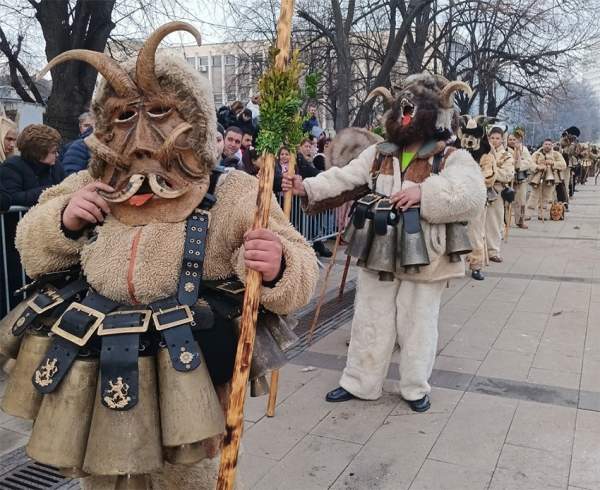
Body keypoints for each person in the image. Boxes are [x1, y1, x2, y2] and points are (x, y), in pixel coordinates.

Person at [0, 22, 318, 489]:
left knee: (185, 478)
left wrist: (279, 266)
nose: (143, 135)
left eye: (160, 111)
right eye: (125, 114)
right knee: (103, 476)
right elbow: (29, 241)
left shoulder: (233, 191)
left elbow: (300, 264)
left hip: (188, 369)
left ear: (193, 118)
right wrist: (64, 219)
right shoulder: (91, 184)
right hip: (99, 359)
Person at [283, 74, 485, 412]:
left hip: (426, 255)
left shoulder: (449, 156)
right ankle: (360, 382)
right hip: (379, 248)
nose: (406, 117)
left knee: (417, 321)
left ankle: (415, 387)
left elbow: (472, 194)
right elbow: (345, 177)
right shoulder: (379, 153)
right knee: (370, 315)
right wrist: (308, 187)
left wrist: (425, 192)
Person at [0, 124, 64, 207]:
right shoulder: (12, 166)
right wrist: (50, 191)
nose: (57, 154)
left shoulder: (56, 166)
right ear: (39, 152)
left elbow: (65, 187)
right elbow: (12, 198)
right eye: (53, 152)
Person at [483, 126, 514, 263]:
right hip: (481, 188)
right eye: (492, 138)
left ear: (502, 140)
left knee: (494, 222)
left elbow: (508, 174)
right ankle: (477, 250)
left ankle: (493, 251)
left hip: (496, 190)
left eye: (497, 138)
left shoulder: (506, 155)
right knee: (478, 222)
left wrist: (492, 172)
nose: (494, 141)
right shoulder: (483, 152)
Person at [528, 138, 567, 220]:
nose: (547, 146)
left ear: (552, 145)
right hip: (537, 178)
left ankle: (543, 215)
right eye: (546, 144)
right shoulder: (536, 154)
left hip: (551, 178)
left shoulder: (556, 154)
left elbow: (563, 165)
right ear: (543, 145)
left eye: (549, 144)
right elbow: (530, 163)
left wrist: (553, 163)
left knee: (547, 197)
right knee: (533, 196)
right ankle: (528, 214)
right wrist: (537, 167)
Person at [507, 129, 534, 229]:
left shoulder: (524, 149)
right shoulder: (504, 150)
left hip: (521, 179)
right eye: (510, 139)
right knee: (507, 201)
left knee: (521, 201)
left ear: (518, 140)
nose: (512, 141)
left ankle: (520, 221)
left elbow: (529, 162)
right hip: (508, 178)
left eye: (514, 139)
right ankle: (506, 221)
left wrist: (519, 165)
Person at [61, 112, 95, 176]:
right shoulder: (70, 146)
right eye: (86, 126)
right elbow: (70, 175)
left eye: (94, 126)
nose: (90, 129)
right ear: (80, 127)